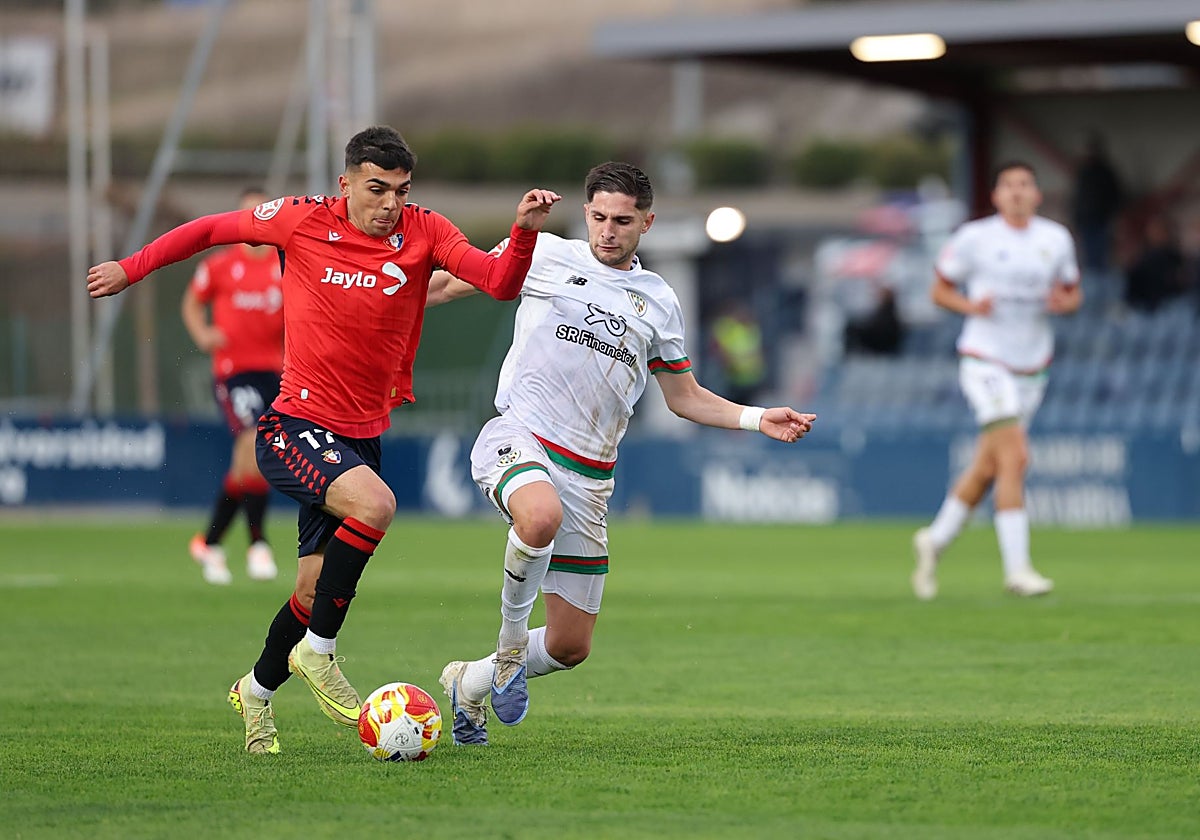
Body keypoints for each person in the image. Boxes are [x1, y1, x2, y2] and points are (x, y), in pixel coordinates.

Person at [87, 125, 561, 754]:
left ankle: (254, 694)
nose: (390, 203)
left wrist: (523, 232)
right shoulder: (300, 220)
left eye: (400, 190)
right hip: (294, 425)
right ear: (345, 184)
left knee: (311, 591)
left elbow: (499, 282)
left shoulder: (425, 230)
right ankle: (320, 652)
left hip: (361, 436)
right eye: (376, 188)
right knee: (376, 505)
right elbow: (208, 230)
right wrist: (132, 266)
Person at [424, 162, 816, 745]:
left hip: (590, 478)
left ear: (647, 223)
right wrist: (364, 318)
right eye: (600, 218)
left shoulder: (657, 300)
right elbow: (441, 286)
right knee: (538, 515)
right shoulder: (543, 254)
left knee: (569, 646)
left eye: (623, 221)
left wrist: (759, 418)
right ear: (585, 214)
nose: (609, 231)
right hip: (520, 436)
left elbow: (683, 398)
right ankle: (508, 649)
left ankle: (472, 683)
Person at [912, 161, 1082, 600]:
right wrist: (972, 308)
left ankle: (935, 539)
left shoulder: (1055, 239)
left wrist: (1063, 304)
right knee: (1016, 457)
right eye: (1009, 186)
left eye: (1026, 185)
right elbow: (939, 289)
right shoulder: (975, 238)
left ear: (1037, 194)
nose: (1018, 193)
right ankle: (1018, 570)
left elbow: (1072, 293)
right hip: (986, 360)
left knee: (990, 466)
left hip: (1033, 366)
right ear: (996, 196)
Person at [180, 187, 283, 585]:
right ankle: (258, 543)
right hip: (232, 372)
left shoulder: (282, 266)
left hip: (275, 373)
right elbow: (191, 301)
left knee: (251, 459)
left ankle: (210, 541)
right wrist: (203, 334)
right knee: (252, 444)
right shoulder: (221, 265)